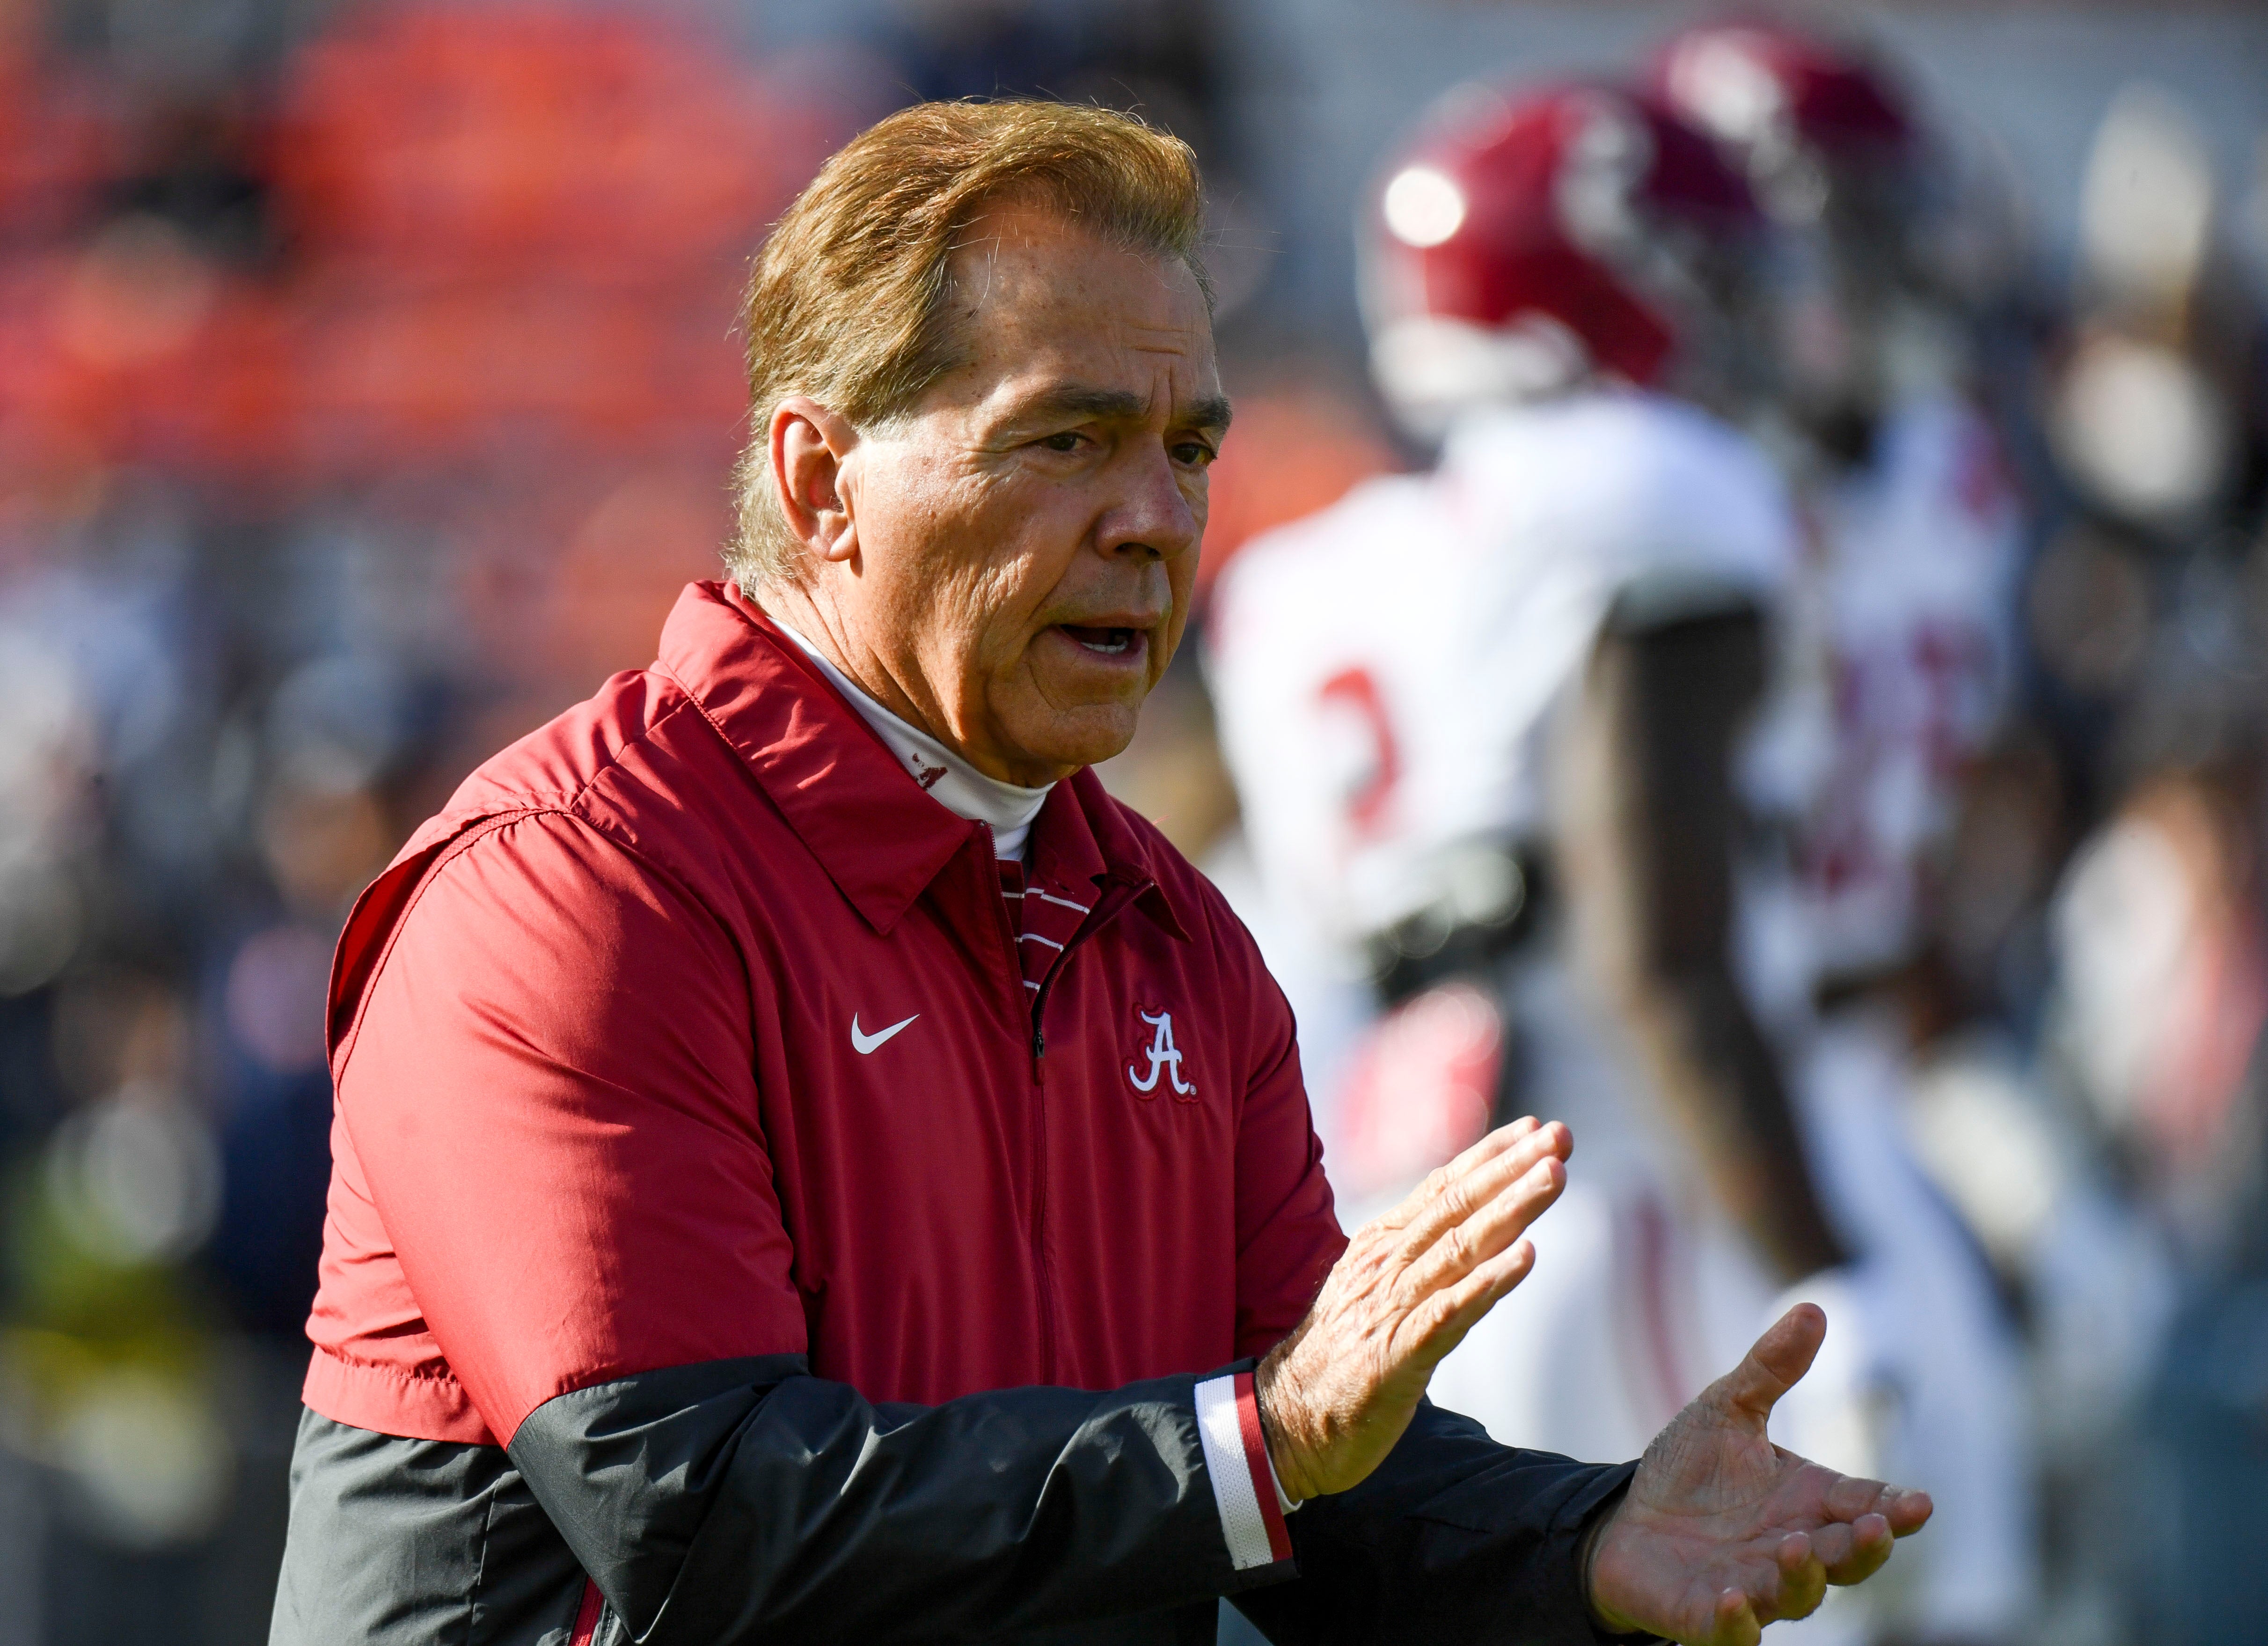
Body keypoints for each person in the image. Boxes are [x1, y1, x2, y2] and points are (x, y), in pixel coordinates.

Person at [267, 101, 1931, 1646]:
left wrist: (1589, 1538)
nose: (1156, 517)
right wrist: (1255, 1444)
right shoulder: (572, 892)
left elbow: (1319, 1481)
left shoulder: (1173, 934)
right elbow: (699, 1510)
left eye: (1190, 450)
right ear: (818, 481)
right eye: (1065, 439)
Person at [1207, 80, 1847, 1473]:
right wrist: (1836, 1279)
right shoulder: (1646, 486)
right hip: (1623, 1183)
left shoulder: (1299, 580)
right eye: (1705, 280)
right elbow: (1659, 950)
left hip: (1392, 1227)